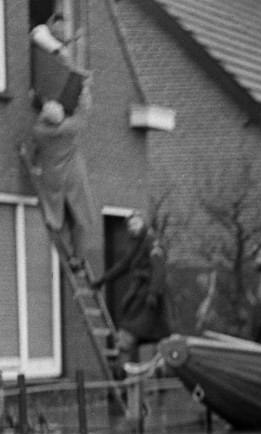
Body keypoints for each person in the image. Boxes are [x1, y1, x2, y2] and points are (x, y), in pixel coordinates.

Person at [25, 72, 98, 272]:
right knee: (81, 217)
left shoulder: (39, 132)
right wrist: (85, 89)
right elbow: (84, 111)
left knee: (60, 215)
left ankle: (59, 231)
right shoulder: (69, 128)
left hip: (53, 178)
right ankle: (78, 259)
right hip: (74, 176)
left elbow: (38, 127)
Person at [93, 211, 171, 370]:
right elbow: (124, 265)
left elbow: (159, 268)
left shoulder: (152, 242)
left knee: (136, 329)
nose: (133, 228)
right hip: (139, 293)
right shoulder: (135, 244)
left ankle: (157, 370)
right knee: (134, 328)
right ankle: (123, 369)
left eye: (136, 224)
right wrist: (103, 280)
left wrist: (154, 293)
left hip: (148, 295)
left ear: (143, 223)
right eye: (130, 226)